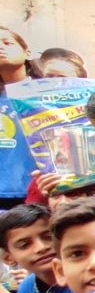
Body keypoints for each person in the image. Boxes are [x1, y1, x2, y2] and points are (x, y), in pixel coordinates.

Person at [0, 25, 41, 201]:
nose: (1, 47)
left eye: (7, 43)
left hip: (39, 190)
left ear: (27, 53)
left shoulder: (48, 96)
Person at [0, 203, 70, 293]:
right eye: (24, 245)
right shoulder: (27, 288)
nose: (41, 247)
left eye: (49, 237)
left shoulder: (85, 275)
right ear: (8, 258)